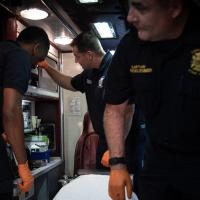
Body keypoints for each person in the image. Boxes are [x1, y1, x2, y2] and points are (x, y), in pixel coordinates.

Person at [103, 0, 200, 200]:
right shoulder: (130, 47)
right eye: (129, 6)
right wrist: (117, 163)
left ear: (174, 7)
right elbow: (115, 108)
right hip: (157, 161)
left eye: (141, 7)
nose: (130, 17)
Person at [38, 31, 135, 170]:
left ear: (89, 54)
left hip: (124, 141)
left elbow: (128, 111)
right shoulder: (89, 74)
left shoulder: (116, 68)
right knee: (102, 184)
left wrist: (116, 150)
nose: (76, 61)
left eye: (77, 56)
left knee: (124, 186)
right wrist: (47, 67)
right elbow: (69, 83)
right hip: (103, 140)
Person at [0, 26, 50, 199]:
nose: (36, 65)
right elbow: (12, 111)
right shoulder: (19, 56)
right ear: (36, 48)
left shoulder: (4, 49)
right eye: (39, 60)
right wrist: (23, 165)